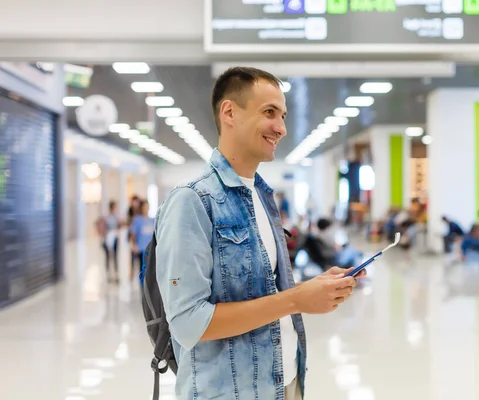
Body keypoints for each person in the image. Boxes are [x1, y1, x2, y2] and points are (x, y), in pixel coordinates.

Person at [154, 67, 365, 400]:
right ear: (229, 113)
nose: (281, 128)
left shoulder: (263, 196)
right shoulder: (192, 201)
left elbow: (264, 293)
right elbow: (188, 323)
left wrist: (313, 288)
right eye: (269, 113)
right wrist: (295, 300)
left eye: (282, 115)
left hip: (286, 383)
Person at [130, 200, 154, 282]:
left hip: (151, 249)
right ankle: (143, 288)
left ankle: (149, 288)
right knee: (143, 270)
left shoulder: (152, 220)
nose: (145, 209)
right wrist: (134, 245)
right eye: (144, 207)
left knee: (151, 270)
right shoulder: (137, 220)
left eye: (147, 207)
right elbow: (133, 234)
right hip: (142, 250)